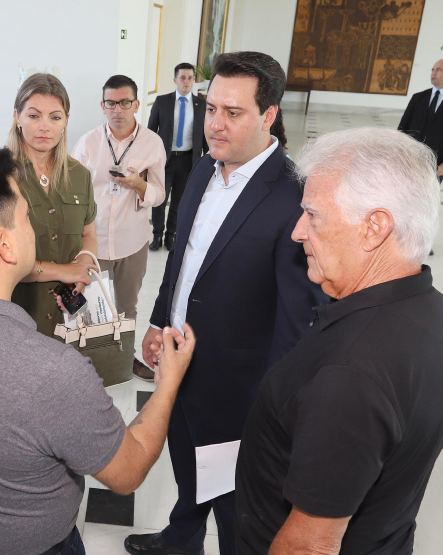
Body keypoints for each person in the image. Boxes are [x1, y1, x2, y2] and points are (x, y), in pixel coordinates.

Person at [0, 145, 195, 555]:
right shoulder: (50, 371)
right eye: (27, 218)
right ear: (5, 245)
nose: (33, 230)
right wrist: (168, 382)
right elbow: (127, 472)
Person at [123, 51, 324, 555]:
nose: (215, 124)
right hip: (181, 362)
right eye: (212, 109)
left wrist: (270, 408)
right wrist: (157, 320)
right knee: (188, 465)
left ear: (269, 115)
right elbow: (183, 260)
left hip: (241, 390)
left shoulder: (294, 197)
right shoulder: (204, 170)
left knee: (238, 507)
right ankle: (180, 539)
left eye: (232, 113)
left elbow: (297, 320)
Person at [235, 127, 443, 554]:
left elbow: (311, 544)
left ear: (373, 228)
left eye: (313, 215)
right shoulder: (439, 313)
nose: (297, 232)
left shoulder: (351, 373)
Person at [71, 74, 166, 382]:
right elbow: (72, 192)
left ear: (136, 104)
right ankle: (89, 366)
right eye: (111, 103)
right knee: (91, 307)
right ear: (102, 106)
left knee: (126, 308)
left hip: (132, 241)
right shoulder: (87, 143)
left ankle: (124, 362)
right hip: (94, 242)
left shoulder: (152, 143)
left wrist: (139, 184)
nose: (118, 110)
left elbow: (159, 195)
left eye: (125, 102)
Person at [7, 73, 99, 337]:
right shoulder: (0, 176)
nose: (44, 127)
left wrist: (81, 269)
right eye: (34, 116)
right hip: (17, 314)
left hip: (68, 316)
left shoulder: (79, 175)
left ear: (66, 121)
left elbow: (89, 234)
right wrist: (65, 271)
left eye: (55, 117)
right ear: (18, 117)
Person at [147, 62, 208, 252]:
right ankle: (157, 234)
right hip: (165, 159)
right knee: (160, 199)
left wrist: (211, 158)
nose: (187, 81)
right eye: (182, 77)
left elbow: (205, 134)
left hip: (188, 160)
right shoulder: (162, 102)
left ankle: (170, 236)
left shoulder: (202, 105)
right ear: (175, 80)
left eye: (190, 78)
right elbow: (151, 132)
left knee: (179, 201)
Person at [398, 59, 443, 184]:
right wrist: (398, 152)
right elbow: (403, 127)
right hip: (411, 158)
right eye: (433, 69)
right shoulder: (418, 97)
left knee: (426, 196)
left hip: (436, 162)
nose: (434, 73)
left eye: (439, 70)